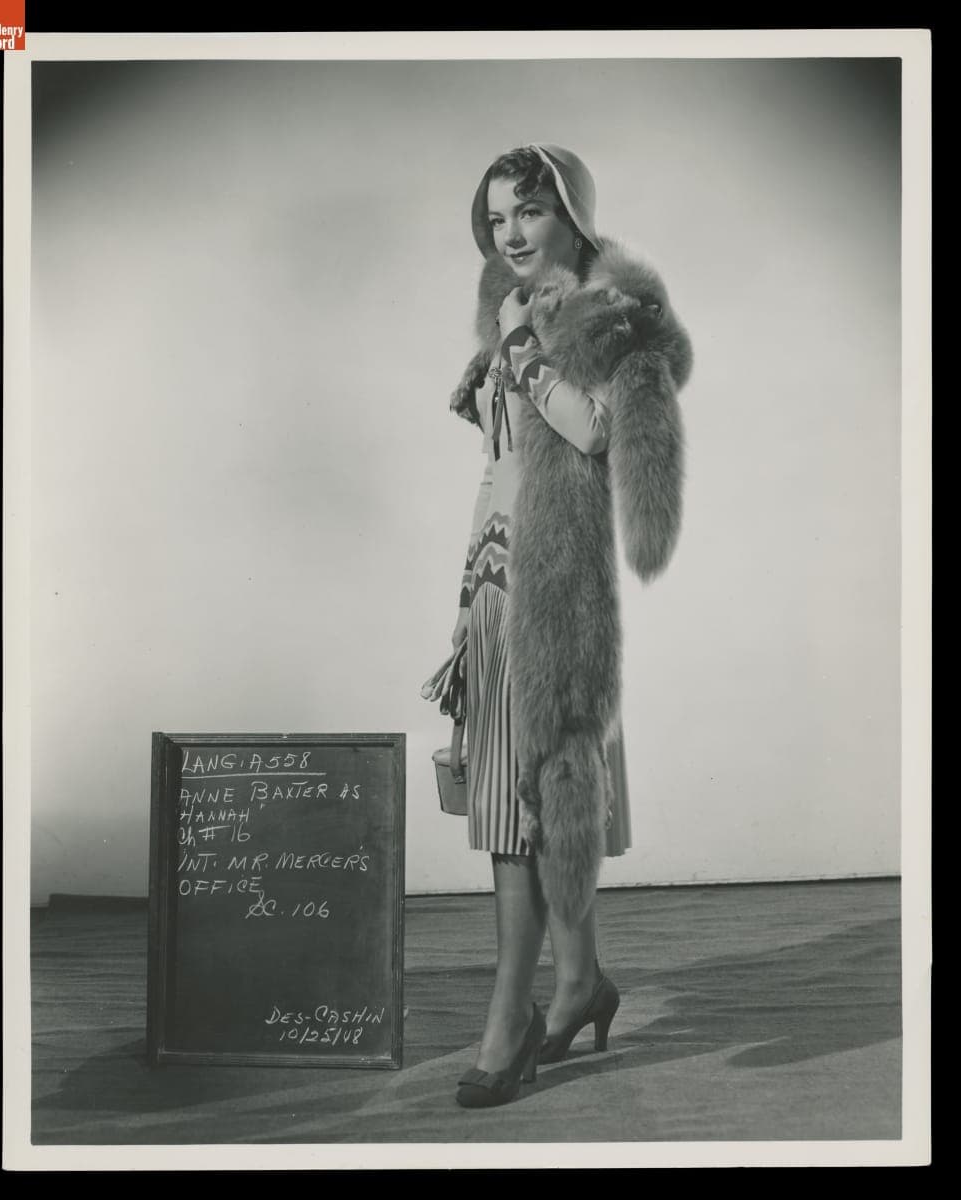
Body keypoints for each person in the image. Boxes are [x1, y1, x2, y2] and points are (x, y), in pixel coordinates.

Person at [448, 144, 692, 1108]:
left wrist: (516, 354)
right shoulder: (511, 309)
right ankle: (582, 982)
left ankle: (509, 1022)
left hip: (557, 600)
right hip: (495, 581)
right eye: (497, 215)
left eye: (529, 214)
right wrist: (491, 382)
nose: (509, 233)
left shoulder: (600, 314)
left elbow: (595, 434)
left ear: (571, 219)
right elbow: (522, 451)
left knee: (525, 814)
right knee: (542, 801)